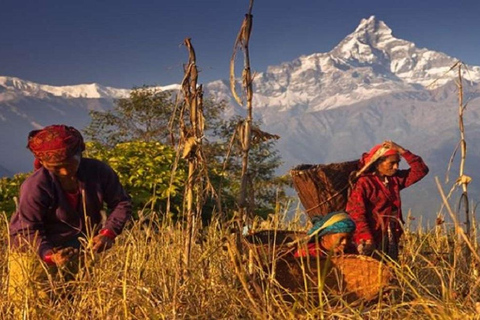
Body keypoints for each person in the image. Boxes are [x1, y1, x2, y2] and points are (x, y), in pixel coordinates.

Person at [8, 124, 132, 312]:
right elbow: (27, 229)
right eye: (57, 168)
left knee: (75, 305)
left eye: (70, 163)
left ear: (80, 154)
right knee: (37, 309)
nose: (65, 171)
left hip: (76, 249)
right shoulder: (35, 186)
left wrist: (108, 233)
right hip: (34, 252)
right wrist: (49, 255)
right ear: (44, 163)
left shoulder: (98, 172)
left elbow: (121, 203)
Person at [346, 140, 429, 260]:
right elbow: (356, 213)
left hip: (391, 236)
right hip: (371, 237)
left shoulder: (394, 180)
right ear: (378, 163)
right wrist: (366, 237)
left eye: (398, 163)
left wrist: (402, 150)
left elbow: (421, 170)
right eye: (392, 163)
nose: (396, 167)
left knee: (389, 271)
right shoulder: (364, 183)